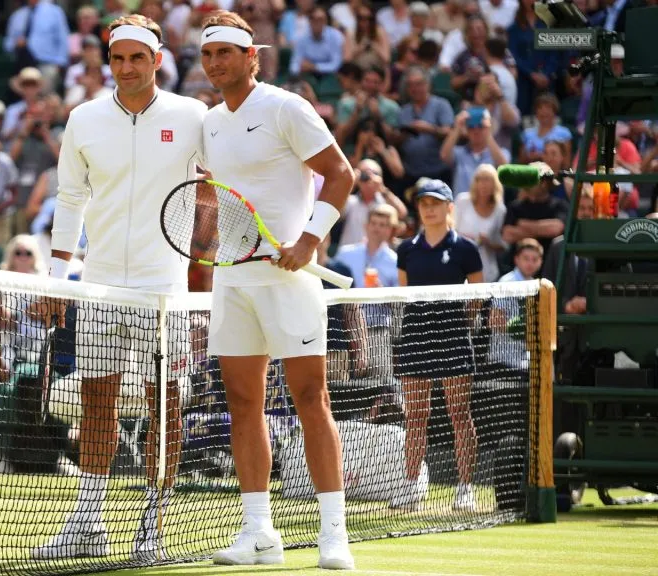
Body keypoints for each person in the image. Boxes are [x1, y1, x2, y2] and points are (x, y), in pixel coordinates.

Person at [29, 14, 207, 562]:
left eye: (137, 58)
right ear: (108, 61)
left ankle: (152, 526)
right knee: (96, 398)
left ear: (157, 61)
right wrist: (58, 279)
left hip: (164, 288)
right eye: (117, 57)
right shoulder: (83, 119)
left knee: (165, 404)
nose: (126, 67)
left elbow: (220, 188)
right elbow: (69, 200)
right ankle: (88, 521)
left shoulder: (194, 116)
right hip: (100, 282)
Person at [198, 10, 356, 569]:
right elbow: (213, 200)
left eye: (225, 53)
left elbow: (341, 173)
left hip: (291, 279)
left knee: (311, 400)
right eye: (207, 54)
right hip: (234, 278)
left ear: (251, 58)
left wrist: (310, 241)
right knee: (244, 404)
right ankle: (259, 533)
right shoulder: (209, 123)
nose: (215, 64)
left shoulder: (288, 107)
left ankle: (334, 534)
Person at [394, 179, 483, 512]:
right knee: (416, 416)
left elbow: (476, 298)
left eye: (435, 202)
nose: (428, 208)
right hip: (415, 338)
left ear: (449, 207)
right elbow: (406, 295)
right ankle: (410, 486)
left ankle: (465, 488)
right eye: (423, 203)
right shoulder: (406, 250)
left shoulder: (466, 249)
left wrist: (458, 325)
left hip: (453, 338)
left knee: (460, 415)